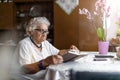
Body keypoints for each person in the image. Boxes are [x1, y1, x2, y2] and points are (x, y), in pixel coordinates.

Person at [11, 17, 79, 80]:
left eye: (46, 31)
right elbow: (24, 69)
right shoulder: (24, 44)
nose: (44, 34)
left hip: (43, 76)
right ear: (31, 31)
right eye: (41, 31)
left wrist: (70, 50)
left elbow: (58, 52)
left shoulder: (45, 43)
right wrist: (45, 62)